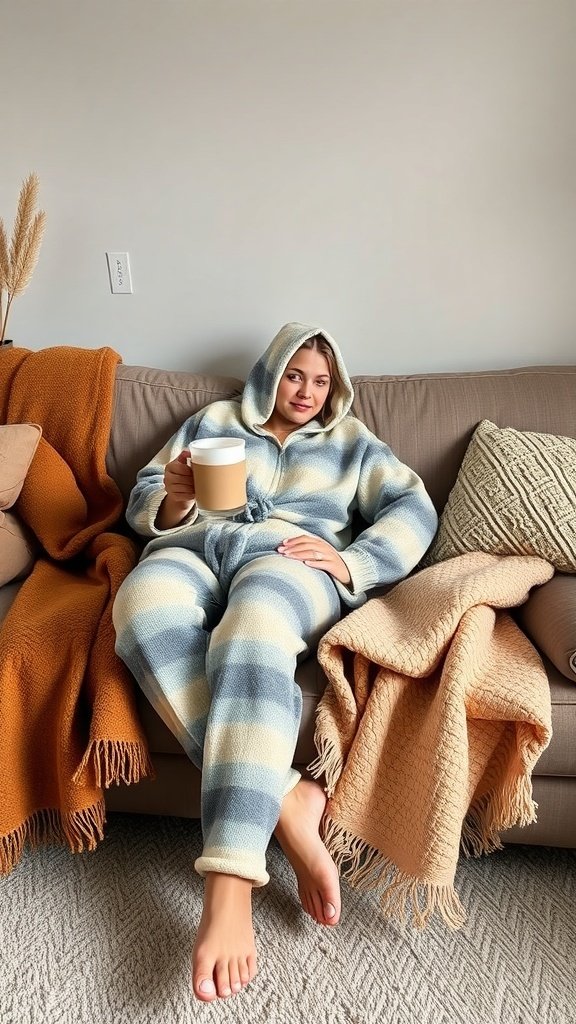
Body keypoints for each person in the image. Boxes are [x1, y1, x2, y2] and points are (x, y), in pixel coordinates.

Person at [112, 322, 438, 1002]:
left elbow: (413, 507)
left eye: (321, 381)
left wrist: (353, 560)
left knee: (254, 623)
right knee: (140, 608)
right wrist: (173, 497)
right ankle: (289, 796)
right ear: (271, 373)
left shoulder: (353, 444)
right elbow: (144, 496)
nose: (307, 391)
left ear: (334, 387)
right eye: (295, 375)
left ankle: (229, 881)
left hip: (289, 564)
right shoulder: (215, 422)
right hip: (197, 550)